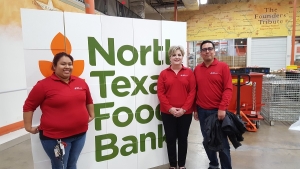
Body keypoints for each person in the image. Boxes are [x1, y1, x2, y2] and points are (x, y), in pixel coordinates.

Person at [23, 52, 95, 169]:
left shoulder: (80, 82)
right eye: (63, 64)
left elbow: (89, 100)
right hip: (55, 138)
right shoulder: (43, 85)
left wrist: (92, 115)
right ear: (54, 66)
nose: (67, 66)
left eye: (70, 64)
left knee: (72, 164)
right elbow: (29, 106)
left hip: (80, 134)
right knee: (60, 167)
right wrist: (28, 126)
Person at [193, 40, 233, 169]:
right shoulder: (197, 69)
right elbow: (195, 90)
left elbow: (228, 89)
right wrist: (195, 109)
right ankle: (213, 164)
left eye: (210, 48)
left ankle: (226, 167)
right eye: (204, 49)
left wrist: (222, 108)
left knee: (222, 142)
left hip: (218, 112)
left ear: (214, 51)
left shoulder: (223, 67)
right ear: (201, 53)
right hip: (202, 111)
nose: (207, 51)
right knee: (207, 141)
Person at [157, 46, 196, 169]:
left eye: (179, 55)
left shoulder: (189, 73)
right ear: (170, 57)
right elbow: (160, 93)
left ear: (182, 56)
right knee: (170, 139)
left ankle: (182, 165)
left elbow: (192, 92)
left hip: (186, 113)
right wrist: (170, 108)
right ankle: (173, 165)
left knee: (183, 139)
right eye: (174, 55)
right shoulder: (164, 74)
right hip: (168, 113)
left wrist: (184, 109)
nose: (177, 57)